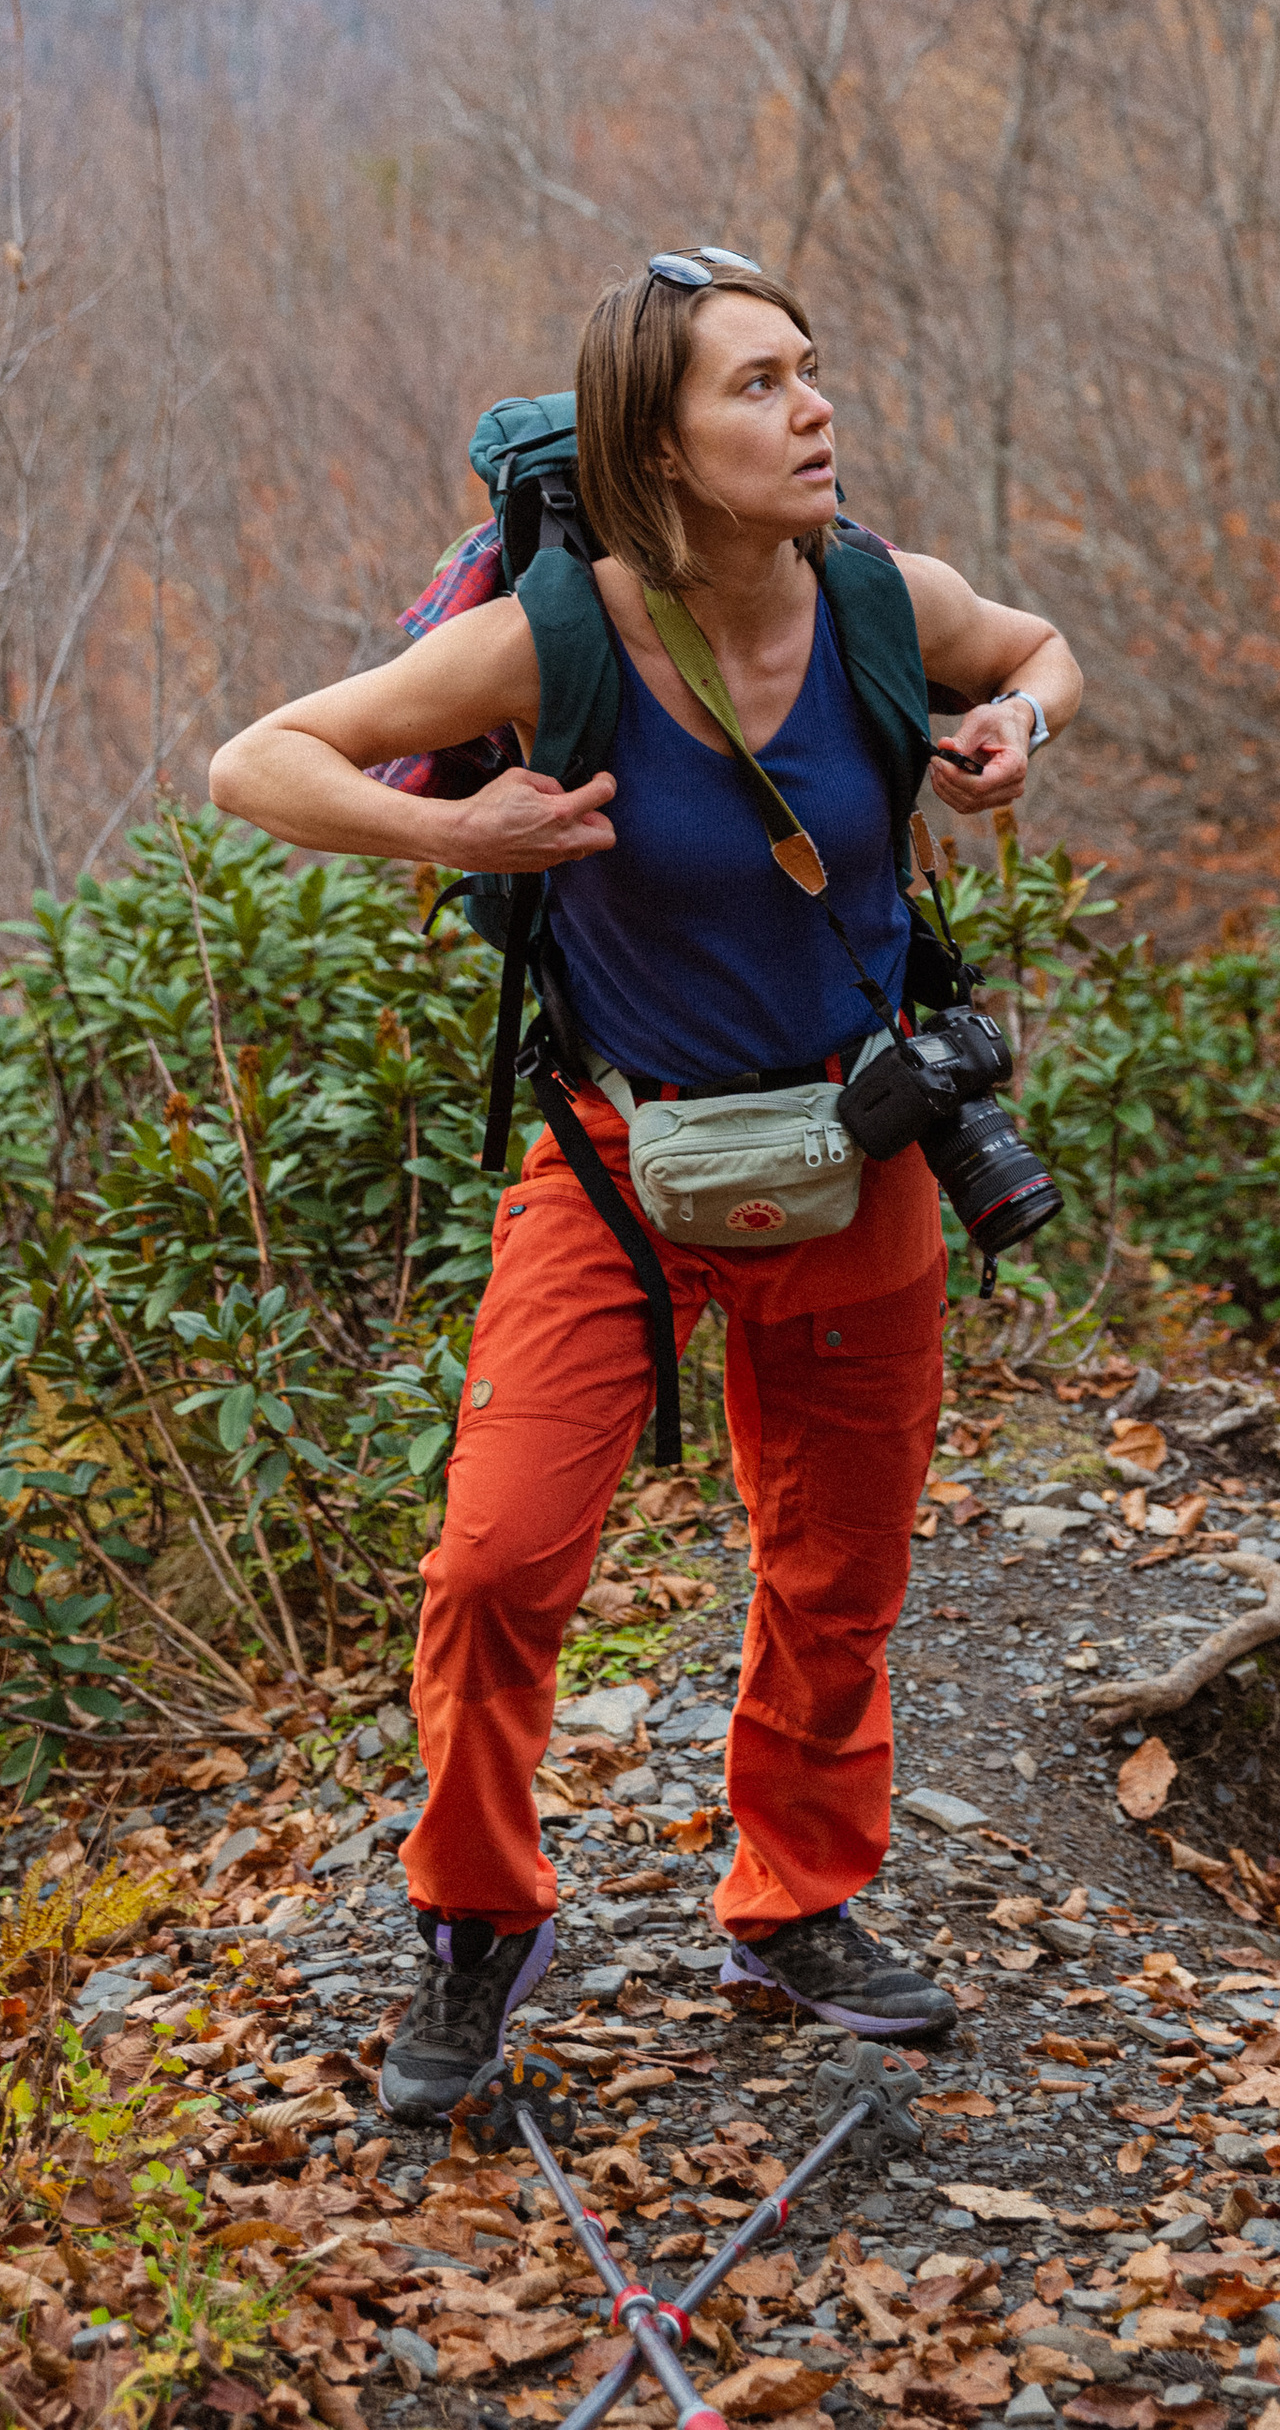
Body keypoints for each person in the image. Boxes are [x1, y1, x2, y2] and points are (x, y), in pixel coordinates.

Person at [207, 250, 1081, 2120]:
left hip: (862, 1147)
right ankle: (475, 1921)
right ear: (658, 448)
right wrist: (456, 823)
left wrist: (1019, 726)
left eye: (810, 369)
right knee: (495, 1563)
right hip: (618, 1158)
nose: (814, 409)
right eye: (758, 385)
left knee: (839, 1573)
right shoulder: (557, 642)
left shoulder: (877, 596)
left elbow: (1030, 646)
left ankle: (797, 1905)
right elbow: (254, 764)